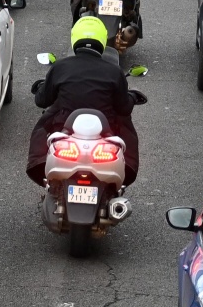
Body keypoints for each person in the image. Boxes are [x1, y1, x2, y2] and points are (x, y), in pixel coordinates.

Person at [28, 17, 141, 186]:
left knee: (41, 126)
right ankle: (126, 173)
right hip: (105, 131)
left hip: (64, 128)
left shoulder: (60, 67)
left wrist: (41, 89)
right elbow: (123, 108)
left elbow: (42, 101)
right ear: (102, 40)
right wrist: (132, 97)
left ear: (75, 37)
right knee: (126, 126)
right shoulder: (114, 71)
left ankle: (40, 168)